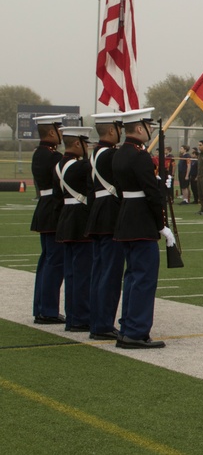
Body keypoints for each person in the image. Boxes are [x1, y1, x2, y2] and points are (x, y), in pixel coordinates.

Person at [112, 108, 175, 349]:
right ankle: (136, 332)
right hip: (141, 223)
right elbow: (151, 195)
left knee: (132, 278)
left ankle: (128, 327)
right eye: (147, 126)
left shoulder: (120, 154)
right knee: (143, 279)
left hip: (126, 219)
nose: (149, 130)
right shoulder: (140, 156)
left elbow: (123, 190)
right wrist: (161, 225)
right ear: (139, 128)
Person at [86, 112, 125, 340]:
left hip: (98, 214)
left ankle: (97, 321)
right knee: (109, 274)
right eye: (119, 128)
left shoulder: (95, 153)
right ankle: (103, 325)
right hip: (110, 215)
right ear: (112, 130)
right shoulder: (110, 155)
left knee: (99, 272)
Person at [55, 126, 95, 332]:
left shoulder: (60, 164)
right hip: (80, 221)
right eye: (86, 143)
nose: (87, 148)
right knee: (81, 274)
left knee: (71, 273)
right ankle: (80, 316)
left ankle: (73, 315)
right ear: (78, 143)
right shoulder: (81, 167)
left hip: (66, 220)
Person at [30, 114, 66, 324]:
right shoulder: (53, 157)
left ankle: (41, 307)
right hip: (53, 209)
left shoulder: (39, 153)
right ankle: (48, 310)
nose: (61, 134)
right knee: (55, 261)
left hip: (45, 207)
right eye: (59, 130)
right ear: (52, 132)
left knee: (46, 261)